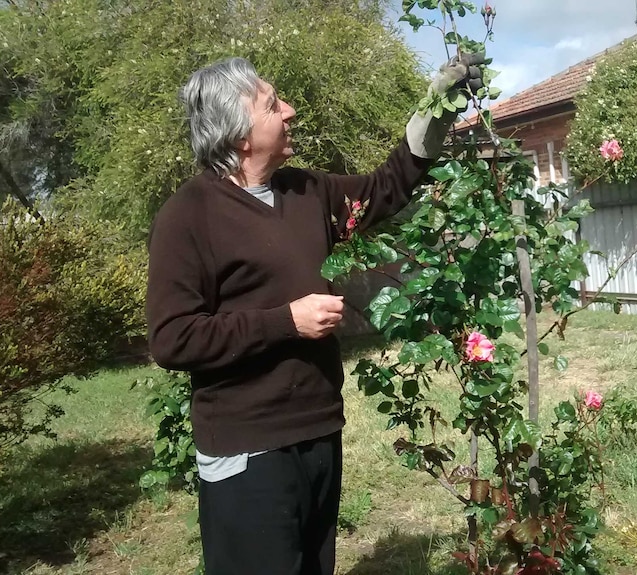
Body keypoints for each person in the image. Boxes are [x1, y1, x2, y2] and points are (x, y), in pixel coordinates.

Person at [145, 53, 483, 575]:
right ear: (239, 134)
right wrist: (287, 321)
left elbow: (383, 189)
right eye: (272, 104)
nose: (291, 110)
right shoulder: (189, 215)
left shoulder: (306, 191)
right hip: (248, 450)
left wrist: (436, 109)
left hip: (319, 431)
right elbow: (173, 339)